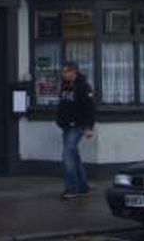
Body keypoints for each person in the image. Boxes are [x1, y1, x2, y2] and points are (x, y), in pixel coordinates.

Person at [56, 61, 95, 199]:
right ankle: (83, 187)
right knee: (74, 156)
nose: (64, 74)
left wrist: (89, 127)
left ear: (74, 72)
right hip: (66, 125)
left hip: (78, 126)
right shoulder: (64, 86)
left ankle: (71, 189)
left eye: (66, 71)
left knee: (67, 154)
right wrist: (59, 120)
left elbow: (90, 108)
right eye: (63, 71)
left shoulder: (83, 86)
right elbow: (62, 104)